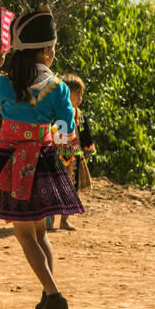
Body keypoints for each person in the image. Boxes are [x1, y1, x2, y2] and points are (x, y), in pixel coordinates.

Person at [0, 8, 84, 309]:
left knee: (25, 236)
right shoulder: (59, 88)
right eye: (50, 47)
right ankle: (47, 292)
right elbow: (66, 130)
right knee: (40, 234)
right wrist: (45, 131)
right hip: (44, 160)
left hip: (12, 161)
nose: (53, 53)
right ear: (41, 49)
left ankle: (53, 296)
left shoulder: (6, 82)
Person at [52, 73, 95, 231]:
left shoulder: (79, 115)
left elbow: (85, 135)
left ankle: (64, 219)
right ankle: (49, 220)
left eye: (81, 94)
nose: (80, 98)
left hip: (74, 157)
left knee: (71, 189)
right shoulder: (56, 114)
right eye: (76, 94)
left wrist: (87, 150)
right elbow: (55, 136)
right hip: (57, 156)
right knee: (52, 187)